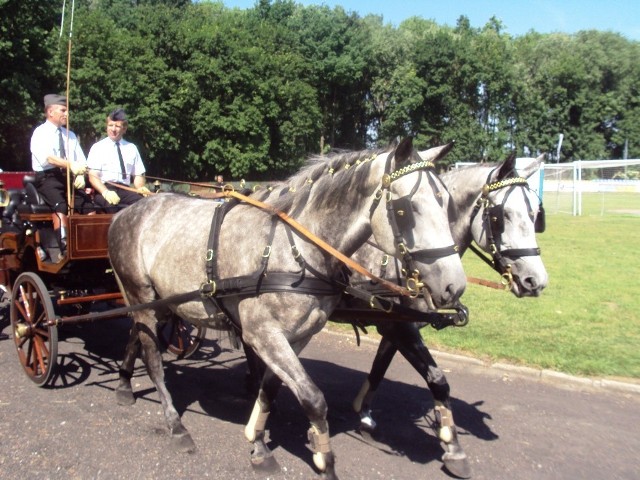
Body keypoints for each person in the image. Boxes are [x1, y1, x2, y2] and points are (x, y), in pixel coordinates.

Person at [30, 93, 89, 257]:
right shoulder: (40, 133)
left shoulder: (69, 134)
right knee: (61, 205)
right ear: (50, 112)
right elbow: (48, 158)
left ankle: (89, 244)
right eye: (63, 110)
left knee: (88, 205)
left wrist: (81, 175)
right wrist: (70, 164)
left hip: (68, 178)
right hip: (48, 177)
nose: (67, 114)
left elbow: (81, 160)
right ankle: (65, 247)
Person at [87, 109, 149, 213]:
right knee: (113, 208)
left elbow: (138, 175)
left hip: (126, 190)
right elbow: (93, 177)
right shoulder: (97, 147)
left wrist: (141, 187)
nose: (113, 129)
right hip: (105, 190)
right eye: (110, 125)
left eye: (117, 126)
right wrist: (106, 192)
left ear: (124, 129)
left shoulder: (131, 148)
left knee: (144, 204)